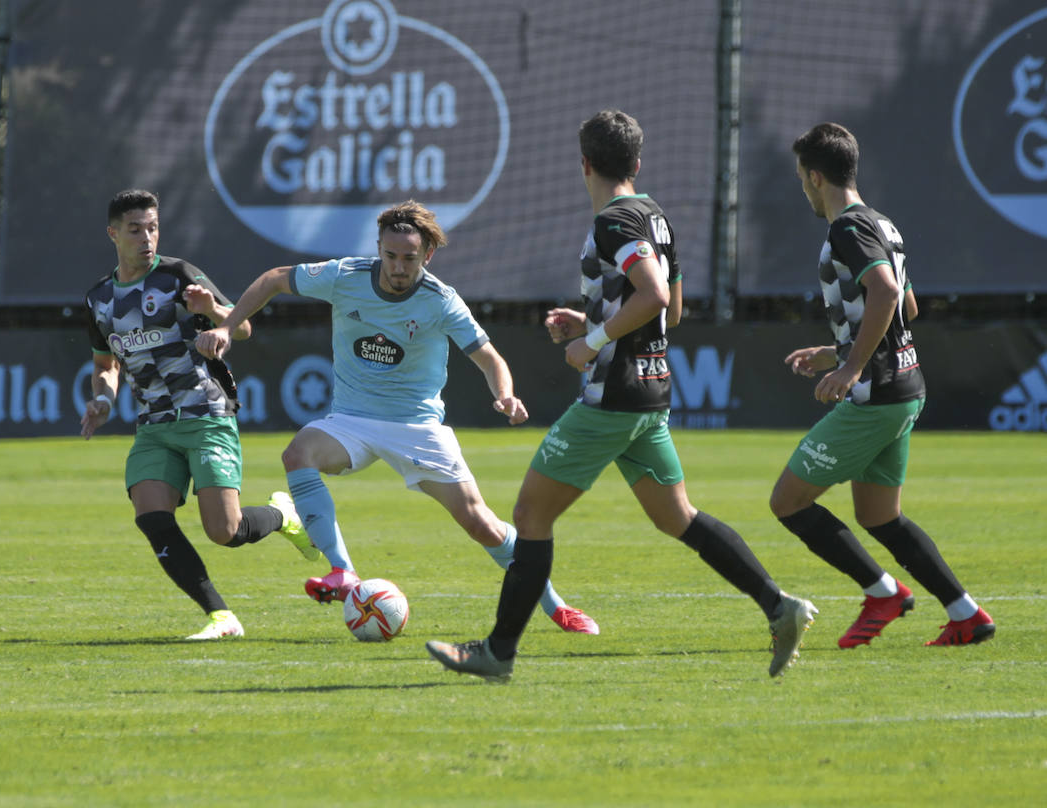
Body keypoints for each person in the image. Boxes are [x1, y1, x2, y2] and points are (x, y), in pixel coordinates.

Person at [425, 110, 817, 681]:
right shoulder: (655, 216)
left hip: (615, 396)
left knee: (530, 514)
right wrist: (589, 318)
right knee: (676, 516)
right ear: (637, 163)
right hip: (651, 391)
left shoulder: (612, 220)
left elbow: (655, 296)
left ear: (583, 164)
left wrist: (592, 341)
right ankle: (781, 607)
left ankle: (498, 653)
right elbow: (674, 309)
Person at [195, 200, 600, 636]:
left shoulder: (441, 300)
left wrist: (505, 395)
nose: (398, 267)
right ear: (379, 249)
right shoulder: (345, 276)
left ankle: (557, 607)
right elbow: (275, 279)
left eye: (409, 258)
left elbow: (490, 358)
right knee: (298, 454)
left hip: (417, 428)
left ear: (427, 256)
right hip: (352, 420)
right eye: (390, 256)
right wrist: (226, 324)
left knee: (481, 524)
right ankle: (343, 572)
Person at [770, 122, 994, 648]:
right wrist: (836, 350)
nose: (802, 187)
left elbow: (888, 293)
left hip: (877, 394)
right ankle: (966, 613)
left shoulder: (847, 227)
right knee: (878, 515)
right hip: (904, 386)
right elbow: (906, 307)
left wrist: (849, 370)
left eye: (802, 178)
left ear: (815, 176)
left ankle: (883, 591)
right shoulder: (883, 224)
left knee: (789, 502)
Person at [79, 189, 312, 641]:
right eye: (135, 229)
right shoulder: (99, 299)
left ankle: (284, 517)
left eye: (152, 227)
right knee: (150, 515)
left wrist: (211, 312)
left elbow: (240, 326)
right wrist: (104, 401)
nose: (146, 237)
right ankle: (221, 616)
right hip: (153, 426)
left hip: (205, 414)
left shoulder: (176, 276)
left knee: (225, 532)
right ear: (113, 234)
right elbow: (105, 364)